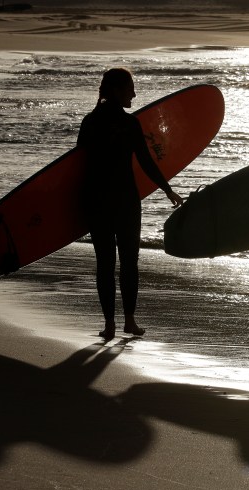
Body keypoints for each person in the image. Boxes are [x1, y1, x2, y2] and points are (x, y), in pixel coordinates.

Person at [77, 68, 183, 340]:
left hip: (98, 200)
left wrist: (78, 204)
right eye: (129, 88)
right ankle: (130, 322)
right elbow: (146, 162)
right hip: (124, 200)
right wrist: (167, 188)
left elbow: (77, 167)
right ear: (115, 90)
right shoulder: (129, 124)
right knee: (128, 263)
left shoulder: (90, 122)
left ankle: (110, 324)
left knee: (105, 263)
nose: (134, 94)